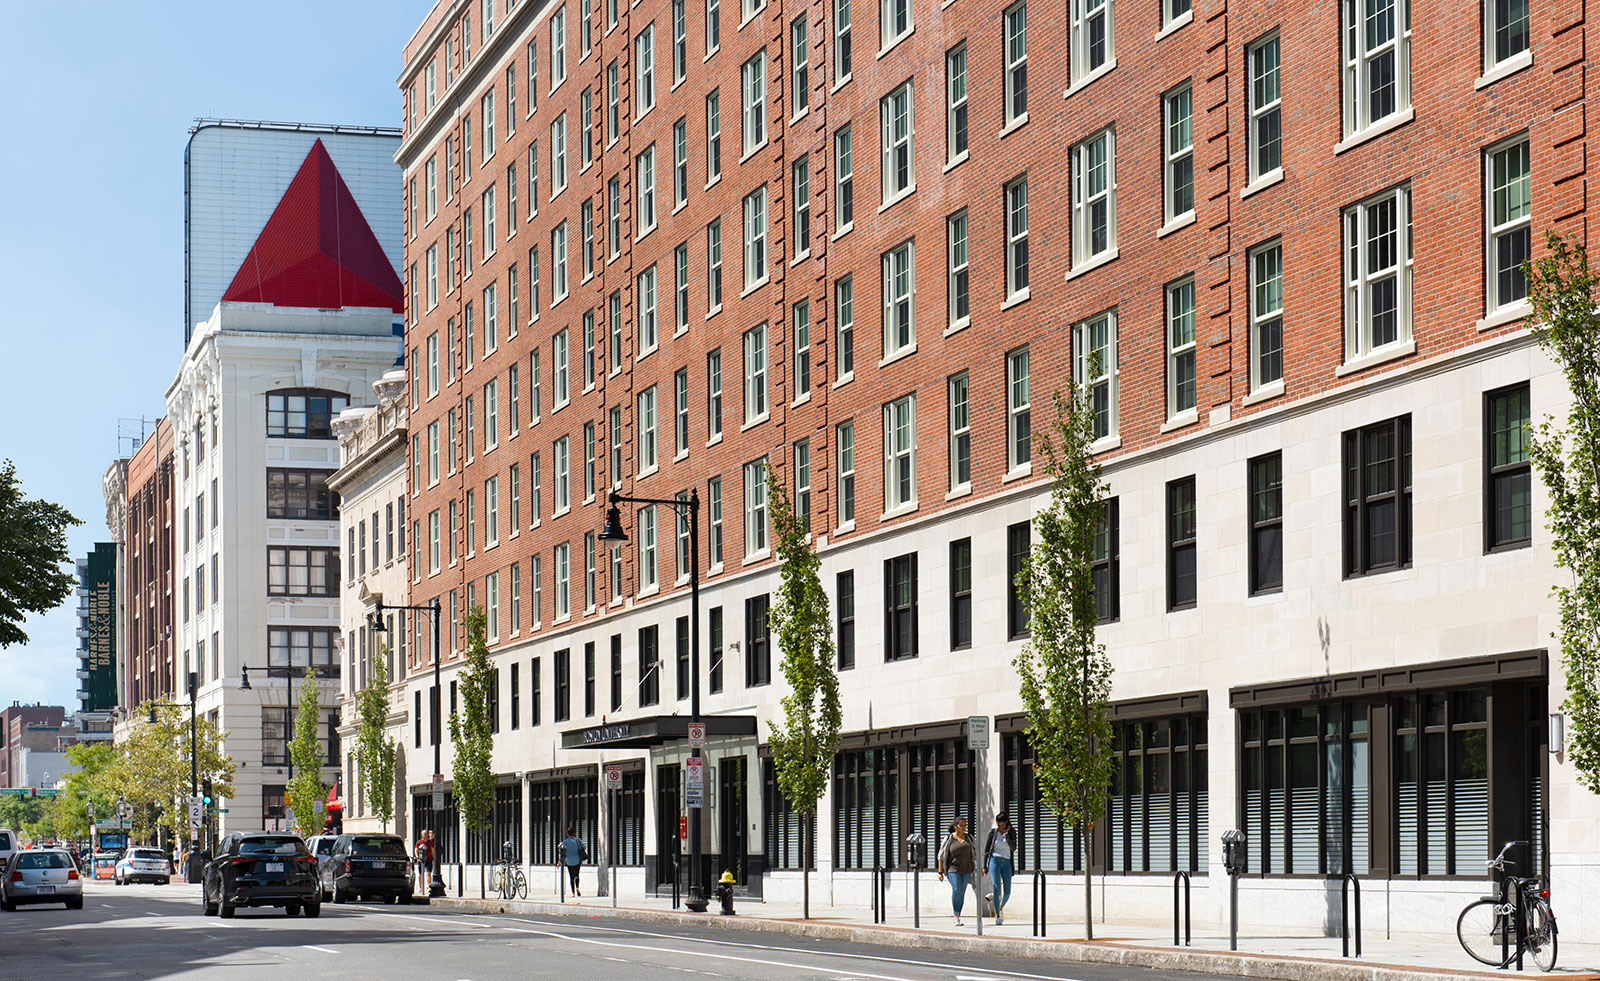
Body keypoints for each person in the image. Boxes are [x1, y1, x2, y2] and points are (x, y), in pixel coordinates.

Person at [935, 817, 976, 927]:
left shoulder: (970, 838)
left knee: (962, 891)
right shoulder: (949, 839)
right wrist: (940, 872)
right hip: (953, 868)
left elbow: (978, 851)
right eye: (961, 825)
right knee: (956, 888)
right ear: (955, 826)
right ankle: (955, 915)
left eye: (964, 825)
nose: (963, 827)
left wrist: (981, 866)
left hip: (967, 869)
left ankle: (958, 914)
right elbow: (941, 856)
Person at [983, 812, 1017, 925]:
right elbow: (987, 850)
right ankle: (997, 915)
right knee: (997, 889)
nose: (1001, 828)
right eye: (999, 825)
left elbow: (1013, 848)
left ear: (1007, 823)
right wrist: (984, 866)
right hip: (995, 861)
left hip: (1006, 862)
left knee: (1007, 892)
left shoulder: (1011, 832)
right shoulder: (993, 833)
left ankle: (1000, 907)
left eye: (1003, 825)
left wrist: (1006, 835)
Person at [560, 825, 588, 897]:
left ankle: (573, 893)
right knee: (577, 874)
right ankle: (577, 887)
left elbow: (561, 849)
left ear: (567, 834)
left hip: (569, 861)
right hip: (577, 860)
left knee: (571, 876)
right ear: (574, 833)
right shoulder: (577, 840)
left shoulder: (565, 842)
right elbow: (584, 846)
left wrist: (560, 860)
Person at [414, 830, 435, 894]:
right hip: (421, 860)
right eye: (424, 834)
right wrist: (417, 857)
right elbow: (416, 850)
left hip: (428, 859)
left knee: (428, 873)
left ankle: (429, 886)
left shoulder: (430, 842)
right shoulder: (419, 842)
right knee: (420, 874)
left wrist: (433, 858)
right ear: (421, 835)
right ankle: (420, 887)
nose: (425, 835)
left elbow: (432, 850)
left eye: (426, 834)